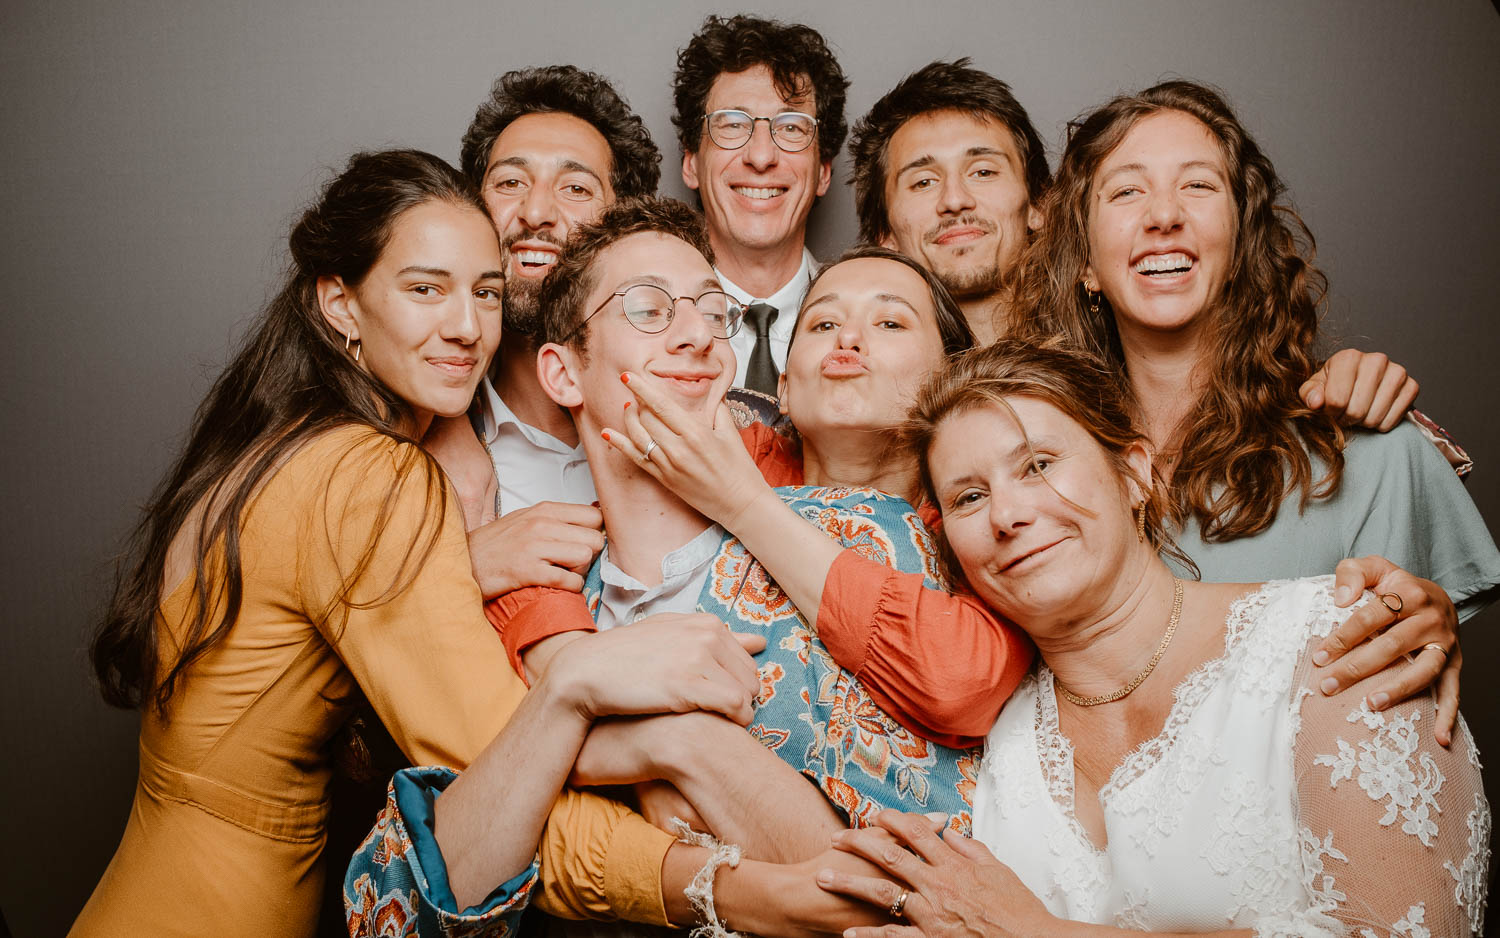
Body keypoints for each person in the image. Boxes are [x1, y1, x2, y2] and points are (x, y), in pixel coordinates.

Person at [69, 150, 669, 937]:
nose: (465, 328)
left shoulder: (291, 442)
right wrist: (733, 885)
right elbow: (504, 780)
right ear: (339, 303)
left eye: (486, 294)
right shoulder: (364, 474)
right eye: (425, 290)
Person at [816, 339, 1490, 935]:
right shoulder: (995, 738)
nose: (1008, 514)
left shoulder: (1341, 642)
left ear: (1135, 472)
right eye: (968, 497)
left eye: (1039, 464)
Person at [1010, 80, 1498, 736]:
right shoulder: (1037, 493)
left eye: (1198, 186)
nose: (1163, 215)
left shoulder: (1373, 457)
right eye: (1126, 190)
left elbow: (1401, 742)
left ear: (1240, 242)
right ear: (1086, 265)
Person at [851, 59, 1424, 435]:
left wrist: (1358, 391)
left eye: (983, 170)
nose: (955, 200)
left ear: (1041, 207)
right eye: (922, 182)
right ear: (882, 232)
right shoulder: (859, 390)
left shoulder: (1118, 353)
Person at [673, 13, 848, 395]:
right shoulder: (646, 329)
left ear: (822, 172)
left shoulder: (863, 333)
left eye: (791, 127)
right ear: (691, 163)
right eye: (733, 124)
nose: (762, 155)